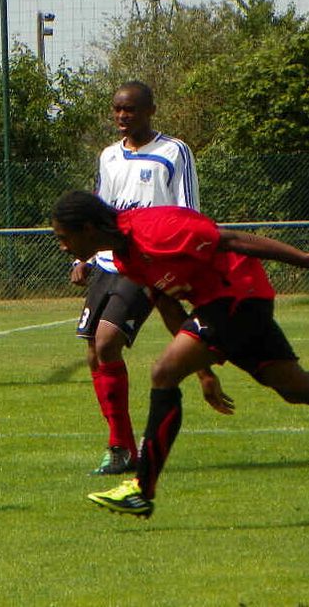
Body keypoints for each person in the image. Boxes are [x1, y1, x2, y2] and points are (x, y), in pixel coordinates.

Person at [50, 190, 309, 520]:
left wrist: (305, 260)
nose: (64, 246)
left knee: (162, 373)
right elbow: (170, 306)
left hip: (238, 295)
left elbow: (233, 239)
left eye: (64, 237)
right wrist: (204, 373)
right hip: (222, 305)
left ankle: (142, 488)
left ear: (87, 229)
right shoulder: (125, 258)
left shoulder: (155, 229)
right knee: (295, 386)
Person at [70, 80, 213, 476]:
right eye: (116, 109)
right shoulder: (109, 157)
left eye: (129, 110)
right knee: (93, 351)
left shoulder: (173, 152)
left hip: (146, 262)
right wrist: (84, 257)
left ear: (150, 111)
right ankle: (121, 445)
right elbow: (102, 213)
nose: (121, 116)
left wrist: (182, 259)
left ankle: (121, 447)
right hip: (109, 262)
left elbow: (188, 211)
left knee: (107, 341)